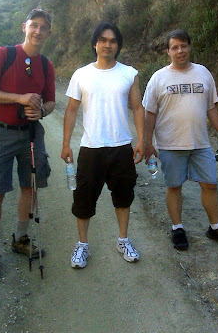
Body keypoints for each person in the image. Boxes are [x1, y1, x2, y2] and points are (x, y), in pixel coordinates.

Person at [0, 9, 56, 280]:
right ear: (24, 27)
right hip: (1, 132)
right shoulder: (4, 55)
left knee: (29, 187)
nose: (37, 31)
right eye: (34, 25)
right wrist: (20, 98)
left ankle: (20, 239)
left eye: (43, 27)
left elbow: (50, 101)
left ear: (48, 32)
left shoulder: (46, 65)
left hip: (31, 134)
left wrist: (42, 112)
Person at [143, 29, 218, 251]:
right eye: (174, 47)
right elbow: (149, 113)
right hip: (170, 144)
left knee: (210, 184)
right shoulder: (158, 78)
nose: (180, 51)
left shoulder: (203, 73)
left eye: (183, 45)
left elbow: (211, 106)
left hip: (200, 143)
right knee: (174, 186)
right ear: (168, 51)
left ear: (189, 47)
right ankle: (177, 228)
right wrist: (147, 143)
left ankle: (215, 227)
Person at [61, 21, 144, 268]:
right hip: (91, 148)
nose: (108, 45)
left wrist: (142, 140)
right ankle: (82, 245)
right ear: (95, 44)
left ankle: (123, 240)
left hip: (121, 147)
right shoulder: (81, 74)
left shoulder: (129, 73)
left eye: (113, 41)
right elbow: (71, 110)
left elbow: (138, 108)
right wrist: (66, 143)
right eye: (103, 40)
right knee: (83, 199)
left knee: (123, 197)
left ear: (118, 45)